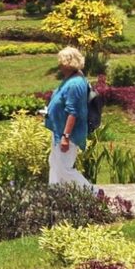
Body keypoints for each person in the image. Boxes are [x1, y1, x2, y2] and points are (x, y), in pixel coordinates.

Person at [44, 47, 94, 190]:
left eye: (61, 63)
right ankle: (55, 192)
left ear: (68, 64)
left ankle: (93, 193)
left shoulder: (75, 83)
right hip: (59, 130)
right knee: (55, 164)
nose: (59, 66)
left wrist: (66, 136)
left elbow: (73, 112)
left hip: (68, 134)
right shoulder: (72, 78)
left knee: (64, 168)